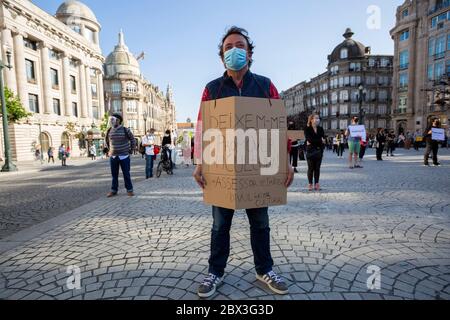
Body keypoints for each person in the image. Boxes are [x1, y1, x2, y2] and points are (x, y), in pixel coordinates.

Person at [192, 26, 294, 298]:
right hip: (221, 167)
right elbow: (202, 127)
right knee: (219, 225)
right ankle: (215, 272)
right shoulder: (212, 89)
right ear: (221, 54)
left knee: (260, 222)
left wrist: (285, 161)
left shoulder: (264, 85)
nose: (234, 50)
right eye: (228, 47)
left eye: (240, 45)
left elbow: (278, 125)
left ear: (249, 53)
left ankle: (264, 269)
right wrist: (199, 162)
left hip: (257, 168)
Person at [105, 113, 136, 197]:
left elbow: (133, 139)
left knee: (126, 174)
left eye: (113, 119)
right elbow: (107, 141)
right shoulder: (109, 130)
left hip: (124, 156)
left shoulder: (126, 130)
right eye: (111, 119)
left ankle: (129, 190)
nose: (112, 121)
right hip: (113, 156)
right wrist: (109, 150)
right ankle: (113, 190)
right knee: (114, 175)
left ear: (118, 120)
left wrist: (131, 149)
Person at [305, 114, 325, 191]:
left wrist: (318, 141)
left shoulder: (320, 129)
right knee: (310, 168)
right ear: (311, 120)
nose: (317, 119)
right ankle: (310, 184)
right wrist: (319, 140)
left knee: (317, 168)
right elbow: (309, 139)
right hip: (310, 151)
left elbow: (323, 140)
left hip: (319, 151)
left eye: (318, 118)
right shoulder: (307, 129)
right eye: (316, 118)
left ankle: (316, 184)